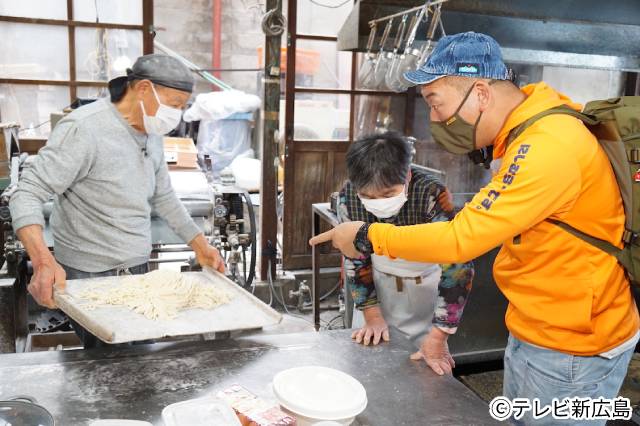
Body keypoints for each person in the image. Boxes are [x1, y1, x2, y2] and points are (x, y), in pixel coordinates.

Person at [310, 32, 639, 425]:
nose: (434, 119)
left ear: (481, 93)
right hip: (539, 330)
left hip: (572, 349)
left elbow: (459, 239)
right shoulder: (526, 135)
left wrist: (366, 235)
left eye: (436, 103)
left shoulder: (549, 145)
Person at [9, 54, 225, 347]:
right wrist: (43, 261)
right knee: (110, 366)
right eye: (174, 104)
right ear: (144, 89)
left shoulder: (152, 131)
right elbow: (27, 193)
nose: (177, 114)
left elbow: (163, 195)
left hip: (137, 270)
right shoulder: (85, 129)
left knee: (137, 359)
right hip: (90, 276)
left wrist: (201, 245)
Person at [338, 131, 473, 376]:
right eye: (367, 196)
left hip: (424, 295)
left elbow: (457, 266)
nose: (378, 203)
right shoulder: (348, 197)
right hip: (378, 293)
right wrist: (372, 315)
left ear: (408, 175)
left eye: (388, 194)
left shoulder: (431, 193)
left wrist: (439, 335)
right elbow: (355, 260)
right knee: (367, 373)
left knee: (426, 378)